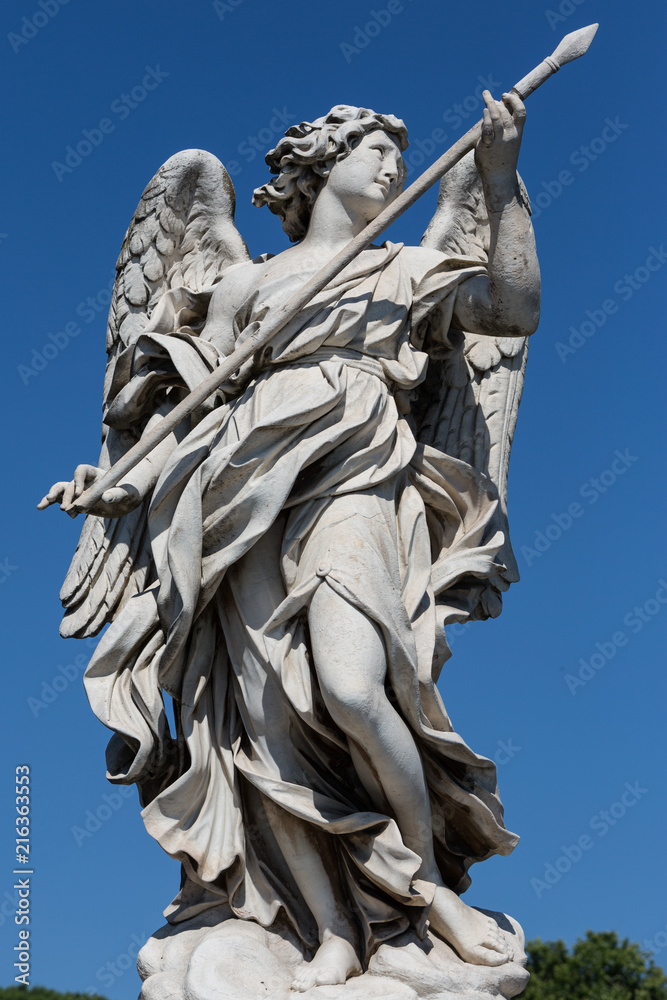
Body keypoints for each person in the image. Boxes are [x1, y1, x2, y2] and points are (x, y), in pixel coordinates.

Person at [40, 93, 539, 991]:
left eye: (399, 153)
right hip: (235, 489)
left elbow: (510, 309)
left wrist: (499, 186)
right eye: (374, 149)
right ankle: (330, 926)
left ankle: (422, 891)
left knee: (352, 684)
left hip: (353, 467)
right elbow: (190, 410)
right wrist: (114, 481)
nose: (392, 164)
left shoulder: (404, 268)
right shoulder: (244, 285)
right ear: (320, 167)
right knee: (260, 717)